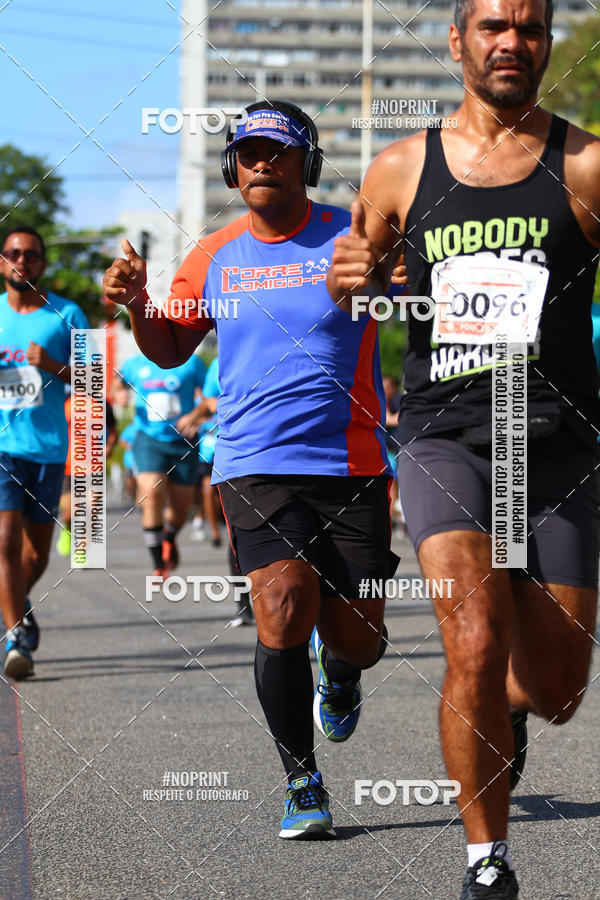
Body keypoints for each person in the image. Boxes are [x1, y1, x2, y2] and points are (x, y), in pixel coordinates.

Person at [328, 0, 600, 895]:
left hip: (554, 441)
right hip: (446, 436)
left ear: (546, 42)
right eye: (492, 26)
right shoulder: (401, 167)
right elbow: (355, 281)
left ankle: (507, 714)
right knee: (473, 644)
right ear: (458, 42)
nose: (511, 43)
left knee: (554, 687)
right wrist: (351, 277)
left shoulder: (587, 164)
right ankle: (488, 859)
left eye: (528, 28)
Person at [103, 100, 398, 839]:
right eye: (248, 152)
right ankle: (302, 781)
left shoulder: (352, 236)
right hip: (253, 460)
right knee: (283, 603)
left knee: (360, 635)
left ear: (307, 162)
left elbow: (411, 303)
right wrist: (138, 302)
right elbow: (169, 349)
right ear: (233, 170)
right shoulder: (215, 254)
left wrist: (393, 275)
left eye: (278, 149)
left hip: (351, 460)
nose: (262, 161)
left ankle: (344, 670)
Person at [0, 226, 89, 678]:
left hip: (49, 448)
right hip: (2, 448)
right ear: (2, 262)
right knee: (5, 540)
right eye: (13, 253)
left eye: (31, 255)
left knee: (36, 555)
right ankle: (17, 636)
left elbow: (93, 379)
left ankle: (14, 598)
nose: (22, 260)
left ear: (43, 264)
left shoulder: (67, 313)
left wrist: (51, 365)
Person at [115, 351, 206, 578]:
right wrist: (119, 395)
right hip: (147, 438)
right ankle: (158, 564)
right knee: (151, 493)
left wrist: (195, 416)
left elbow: (210, 395)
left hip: (184, 440)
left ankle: (169, 536)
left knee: (181, 510)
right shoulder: (134, 364)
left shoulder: (192, 362)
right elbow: (116, 385)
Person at [56, 394, 117, 557]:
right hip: (69, 467)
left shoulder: (103, 403)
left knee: (92, 510)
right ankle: (68, 530)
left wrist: (109, 447)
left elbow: (113, 432)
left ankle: (81, 549)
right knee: (70, 512)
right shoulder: (64, 401)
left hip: (94, 467)